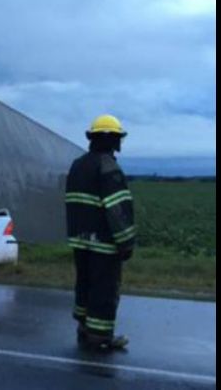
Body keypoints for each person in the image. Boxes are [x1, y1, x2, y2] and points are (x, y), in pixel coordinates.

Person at [65, 114, 136, 351]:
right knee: (104, 289)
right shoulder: (108, 167)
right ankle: (100, 337)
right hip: (105, 243)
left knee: (84, 284)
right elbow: (117, 209)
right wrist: (126, 242)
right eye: (117, 138)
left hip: (80, 240)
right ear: (110, 139)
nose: (119, 143)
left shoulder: (78, 165)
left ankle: (84, 329)